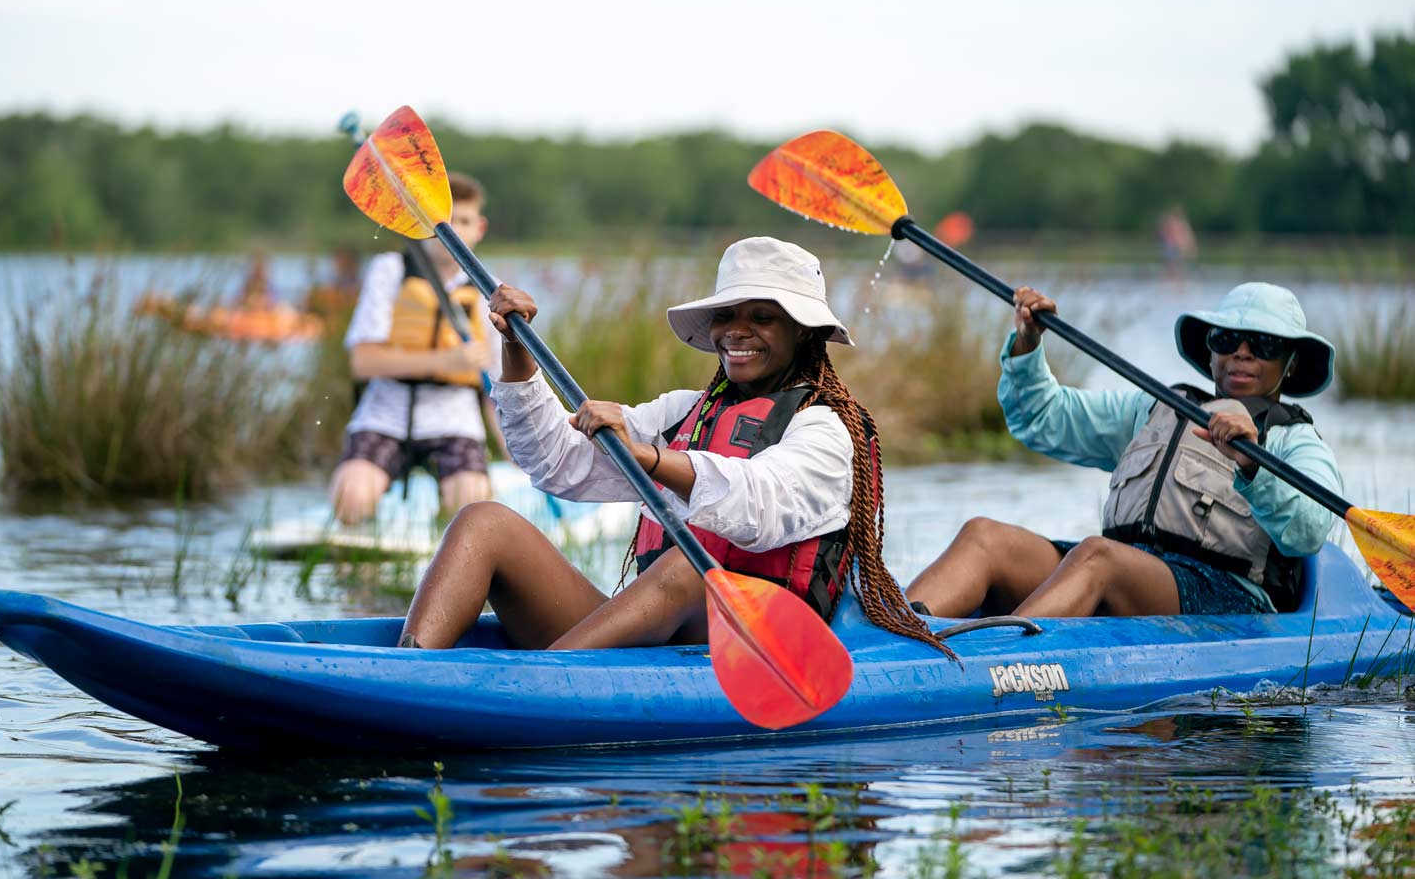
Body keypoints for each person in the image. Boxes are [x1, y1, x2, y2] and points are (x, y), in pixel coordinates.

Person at [396, 236, 948, 653]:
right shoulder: (685, 410)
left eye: (762, 318)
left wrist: (652, 459)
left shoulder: (825, 429)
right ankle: (411, 678)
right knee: (484, 522)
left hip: (766, 647)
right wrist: (516, 352)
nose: (737, 330)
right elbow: (556, 463)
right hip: (661, 633)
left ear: (803, 330)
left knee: (690, 569)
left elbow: (758, 505)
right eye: (726, 316)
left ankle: (538, 683)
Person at [904, 281, 1341, 619]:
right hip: (1125, 569)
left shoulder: (1292, 440)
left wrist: (1251, 463)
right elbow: (1043, 418)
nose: (1241, 354)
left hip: (1225, 594)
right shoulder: (1155, 407)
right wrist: (1028, 344)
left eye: (1263, 345)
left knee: (1098, 557)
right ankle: (890, 637)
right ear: (1209, 351)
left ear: (1291, 361)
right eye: (1226, 340)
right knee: (985, 536)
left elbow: (1308, 531)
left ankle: (996, 661)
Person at [328, 173, 502, 523]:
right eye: (444, 223)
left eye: (463, 222)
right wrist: (444, 360)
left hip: (455, 422)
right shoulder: (389, 270)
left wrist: (519, 456)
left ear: (479, 229)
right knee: (352, 496)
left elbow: (496, 389)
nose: (453, 233)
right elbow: (363, 361)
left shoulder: (491, 291)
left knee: (470, 507)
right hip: (386, 416)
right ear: (425, 224)